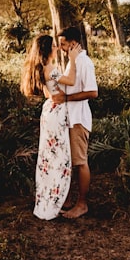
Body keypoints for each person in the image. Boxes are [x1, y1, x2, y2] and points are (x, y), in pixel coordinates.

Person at [21, 34, 77, 220]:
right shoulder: (51, 68)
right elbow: (71, 81)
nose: (56, 48)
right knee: (59, 158)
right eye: (53, 46)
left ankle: (51, 199)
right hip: (56, 113)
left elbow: (50, 92)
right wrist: (73, 60)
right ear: (47, 50)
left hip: (49, 111)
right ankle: (56, 200)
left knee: (48, 157)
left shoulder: (40, 68)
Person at [52, 26, 98, 219]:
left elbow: (93, 92)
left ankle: (82, 204)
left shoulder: (84, 63)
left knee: (80, 162)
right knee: (69, 161)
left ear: (73, 43)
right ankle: (69, 200)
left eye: (63, 43)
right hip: (69, 119)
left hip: (79, 119)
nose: (61, 47)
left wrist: (67, 99)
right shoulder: (73, 62)